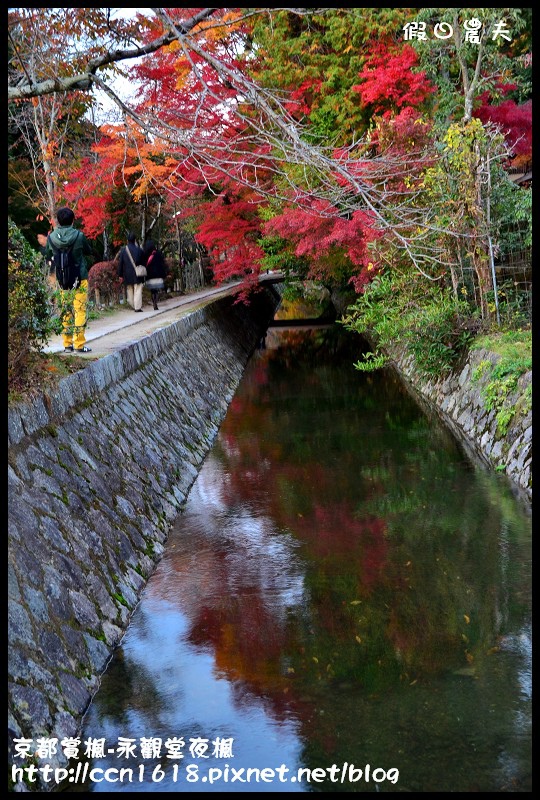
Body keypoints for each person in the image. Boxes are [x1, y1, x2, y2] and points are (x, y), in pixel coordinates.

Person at [38, 207, 94, 353]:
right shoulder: (79, 236)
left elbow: (48, 252)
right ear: (73, 220)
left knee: (66, 311)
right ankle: (79, 345)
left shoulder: (51, 237)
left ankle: (67, 344)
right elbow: (89, 250)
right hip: (79, 277)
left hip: (62, 278)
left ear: (58, 221)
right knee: (80, 310)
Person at [117, 232, 146, 312]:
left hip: (127, 274)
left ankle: (132, 304)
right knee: (138, 289)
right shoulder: (139, 250)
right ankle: (137, 307)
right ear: (135, 240)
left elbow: (121, 263)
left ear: (127, 240)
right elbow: (144, 262)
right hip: (137, 273)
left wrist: (120, 274)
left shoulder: (123, 251)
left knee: (129, 289)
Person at [143, 239, 168, 310]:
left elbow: (144, 265)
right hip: (157, 275)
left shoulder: (145, 255)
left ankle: (154, 302)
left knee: (152, 291)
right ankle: (155, 302)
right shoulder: (158, 254)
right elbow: (163, 264)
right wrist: (164, 274)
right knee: (156, 291)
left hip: (149, 276)